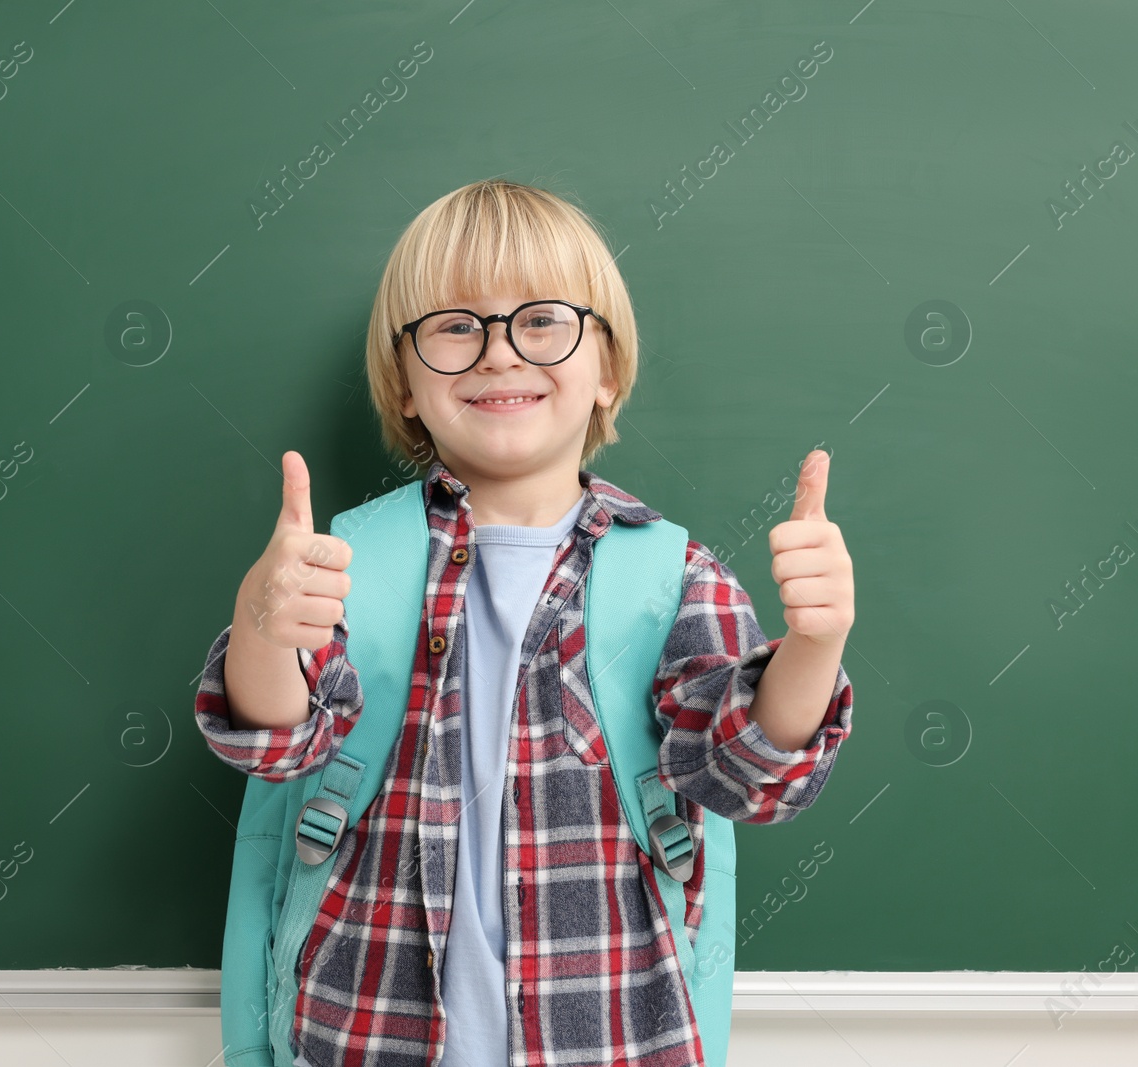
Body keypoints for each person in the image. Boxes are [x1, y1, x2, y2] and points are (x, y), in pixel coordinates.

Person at [194, 178, 856, 1067]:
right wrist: (261, 623)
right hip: (363, 1032)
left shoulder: (674, 575)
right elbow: (274, 747)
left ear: (607, 366)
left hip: (614, 1033)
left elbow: (745, 776)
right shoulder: (339, 560)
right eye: (456, 326)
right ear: (404, 385)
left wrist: (815, 645)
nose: (500, 354)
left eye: (542, 320)